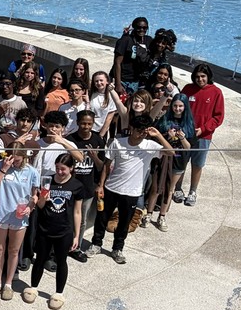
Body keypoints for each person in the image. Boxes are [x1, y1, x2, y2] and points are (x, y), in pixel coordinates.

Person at [91, 114, 173, 264]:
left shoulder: (150, 146)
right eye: (139, 130)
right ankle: (96, 244)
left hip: (132, 192)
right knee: (101, 218)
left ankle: (117, 249)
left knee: (124, 222)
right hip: (111, 188)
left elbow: (171, 152)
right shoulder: (117, 142)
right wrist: (101, 185)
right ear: (131, 128)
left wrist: (158, 135)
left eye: (144, 131)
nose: (141, 134)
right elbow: (107, 165)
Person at [30, 154, 83, 310]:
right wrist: (42, 199)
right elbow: (39, 206)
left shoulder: (77, 186)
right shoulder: (47, 181)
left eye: (63, 169)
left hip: (64, 230)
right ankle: (33, 287)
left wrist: (76, 235)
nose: (59, 172)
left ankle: (59, 293)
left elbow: (77, 212)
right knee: (40, 259)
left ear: (71, 169)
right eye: (57, 168)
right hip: (45, 228)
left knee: (61, 261)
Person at [0, 143, 39, 301]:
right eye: (12, 159)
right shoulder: (1, 166)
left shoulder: (31, 172)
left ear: (24, 157)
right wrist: (4, 169)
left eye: (17, 160)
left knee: (14, 250)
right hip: (1, 213)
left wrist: (31, 207)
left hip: (19, 216)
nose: (14, 163)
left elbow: (34, 196)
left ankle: (8, 283)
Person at [176, 63, 225, 207]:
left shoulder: (216, 92)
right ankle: (178, 188)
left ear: (208, 77)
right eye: (197, 77)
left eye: (203, 76)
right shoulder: (188, 89)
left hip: (203, 136)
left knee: (197, 164)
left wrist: (203, 129)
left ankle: (192, 191)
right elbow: (179, 108)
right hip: (184, 134)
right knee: (181, 162)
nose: (200, 79)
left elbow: (218, 117)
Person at [146, 93, 194, 231]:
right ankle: (148, 214)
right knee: (156, 187)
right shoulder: (164, 120)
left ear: (185, 107)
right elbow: (155, 138)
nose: (177, 109)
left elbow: (188, 147)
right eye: (175, 106)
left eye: (180, 106)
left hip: (178, 161)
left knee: (170, 189)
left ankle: (162, 216)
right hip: (162, 159)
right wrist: (168, 136)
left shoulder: (189, 124)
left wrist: (182, 138)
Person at [67, 109, 105, 259]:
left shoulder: (97, 140)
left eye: (89, 123)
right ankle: (64, 244)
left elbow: (102, 166)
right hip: (71, 186)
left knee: (82, 220)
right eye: (83, 123)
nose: (86, 126)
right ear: (77, 123)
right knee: (68, 217)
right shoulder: (70, 139)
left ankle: (76, 246)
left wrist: (95, 157)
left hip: (88, 187)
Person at [113, 16, 150, 97]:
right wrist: (118, 84)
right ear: (134, 27)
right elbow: (117, 62)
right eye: (139, 27)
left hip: (136, 81)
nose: (142, 30)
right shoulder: (125, 40)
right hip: (123, 80)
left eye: (144, 27)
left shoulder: (148, 41)